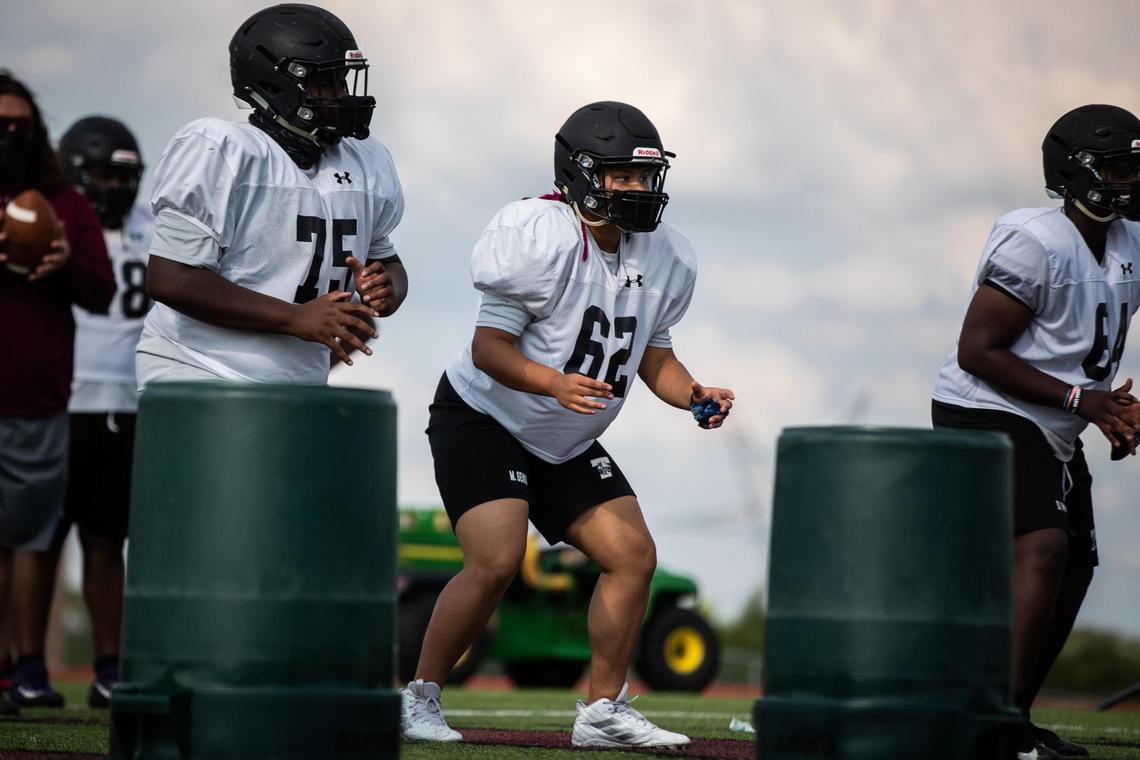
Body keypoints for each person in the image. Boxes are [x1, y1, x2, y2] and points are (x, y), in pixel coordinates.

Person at [403, 101, 734, 747]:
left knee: (632, 557)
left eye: (646, 177)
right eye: (623, 176)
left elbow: (654, 357)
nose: (639, 190)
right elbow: (487, 351)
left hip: (565, 434)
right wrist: (553, 382)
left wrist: (691, 393)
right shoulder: (538, 233)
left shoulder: (665, 256)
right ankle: (420, 698)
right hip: (484, 415)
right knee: (496, 561)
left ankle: (602, 712)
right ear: (583, 174)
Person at [932, 104, 1140, 760]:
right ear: (1074, 173)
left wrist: (1107, 408)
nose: (1130, 180)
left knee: (1076, 565)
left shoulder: (1132, 239)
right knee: (1044, 546)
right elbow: (978, 350)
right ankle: (995, 724)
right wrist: (1087, 401)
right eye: (1116, 167)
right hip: (985, 403)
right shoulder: (1035, 240)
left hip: (1055, 416)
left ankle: (1011, 719)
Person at [135, 3, 406, 391]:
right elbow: (172, 278)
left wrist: (387, 287)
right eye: (324, 82)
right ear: (276, 86)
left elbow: (389, 263)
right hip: (199, 368)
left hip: (298, 384)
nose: (341, 94)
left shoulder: (366, 160)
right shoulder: (221, 149)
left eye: (343, 80)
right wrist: (293, 318)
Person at [0, 71, 115, 713]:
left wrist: (64, 258)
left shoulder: (63, 201)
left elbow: (101, 291)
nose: (10, 138)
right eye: (0, 127)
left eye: (21, 126)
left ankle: (25, 672)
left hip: (36, 397)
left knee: (30, 541)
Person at [54, 115, 154, 708]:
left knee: (104, 540)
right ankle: (22, 667)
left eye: (125, 177)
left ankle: (108, 667)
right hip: (60, 399)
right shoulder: (52, 220)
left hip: (128, 400)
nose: (115, 189)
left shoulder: (154, 227)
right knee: (34, 542)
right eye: (99, 176)